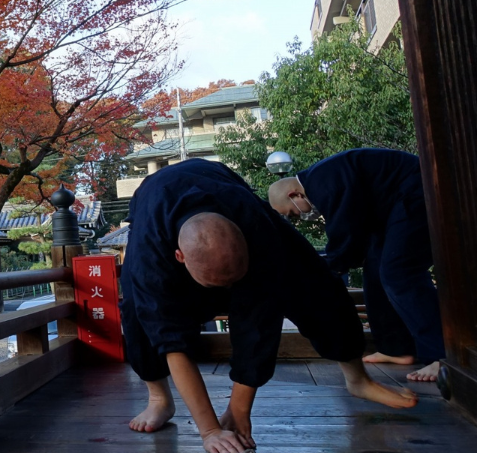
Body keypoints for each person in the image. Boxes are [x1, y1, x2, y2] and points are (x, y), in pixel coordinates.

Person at [122, 159, 416, 453]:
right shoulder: (150, 255)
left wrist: (239, 410)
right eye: (217, 285)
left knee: (319, 285)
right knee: (138, 312)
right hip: (153, 207)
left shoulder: (258, 229)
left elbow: (258, 323)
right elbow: (171, 340)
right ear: (179, 256)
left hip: (231, 196)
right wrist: (209, 430)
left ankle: (357, 379)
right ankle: (159, 398)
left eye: (233, 282)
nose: (228, 293)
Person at [268, 148, 444, 382]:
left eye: (292, 213)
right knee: (374, 273)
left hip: (416, 193)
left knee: (400, 274)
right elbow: (352, 230)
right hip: (392, 209)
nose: (298, 218)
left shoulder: (323, 183)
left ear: (294, 195)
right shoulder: (321, 179)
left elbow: (345, 230)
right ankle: (396, 347)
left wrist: (329, 269)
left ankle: (442, 355)